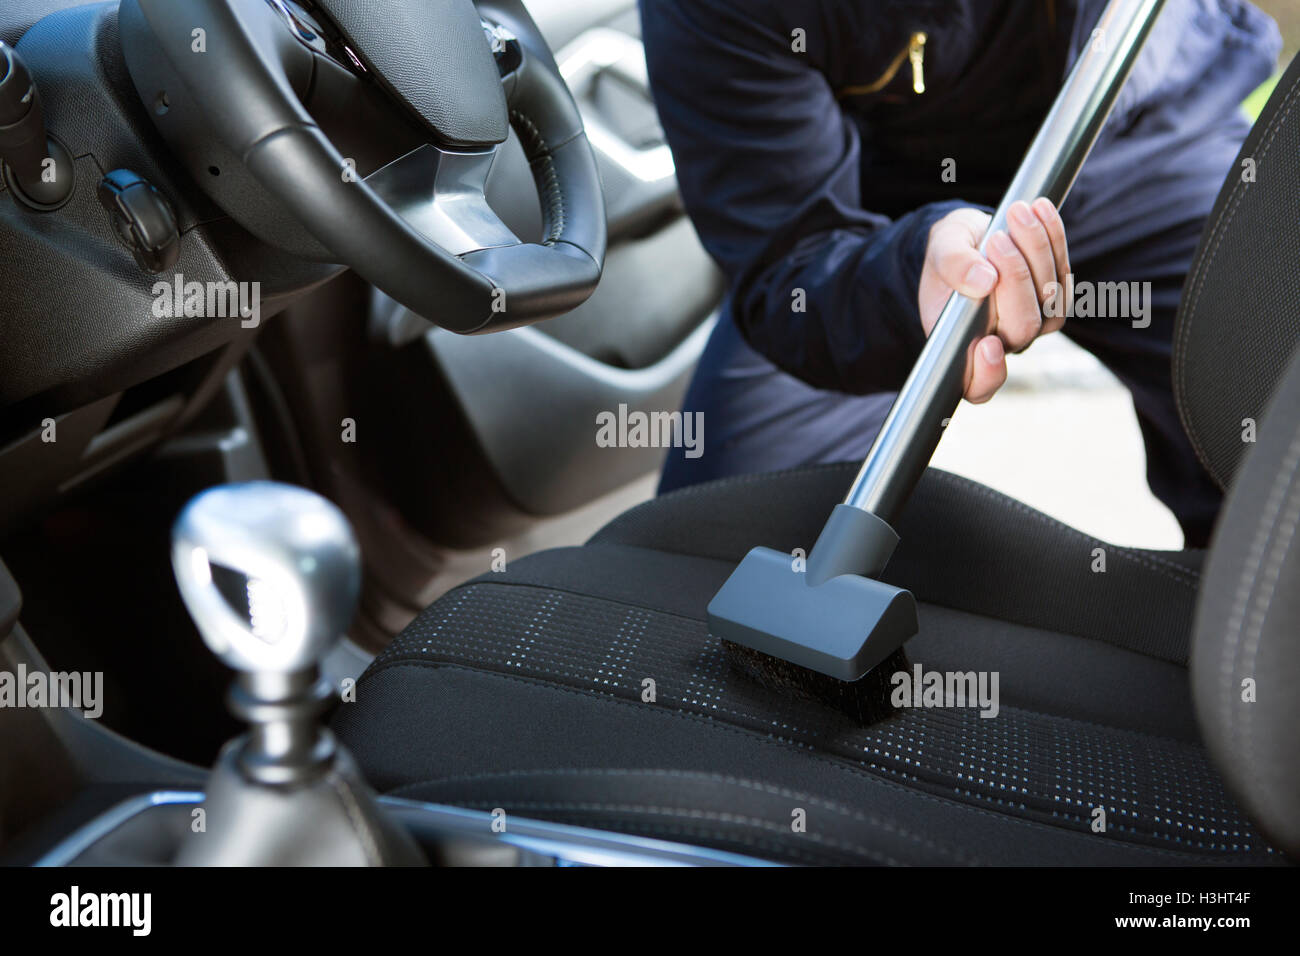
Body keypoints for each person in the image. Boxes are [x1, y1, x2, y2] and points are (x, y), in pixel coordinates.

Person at [642, 0, 1281, 546]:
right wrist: (907, 276)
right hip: (885, 224)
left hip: (1147, 131)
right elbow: (791, 260)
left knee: (1279, 416)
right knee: (717, 543)